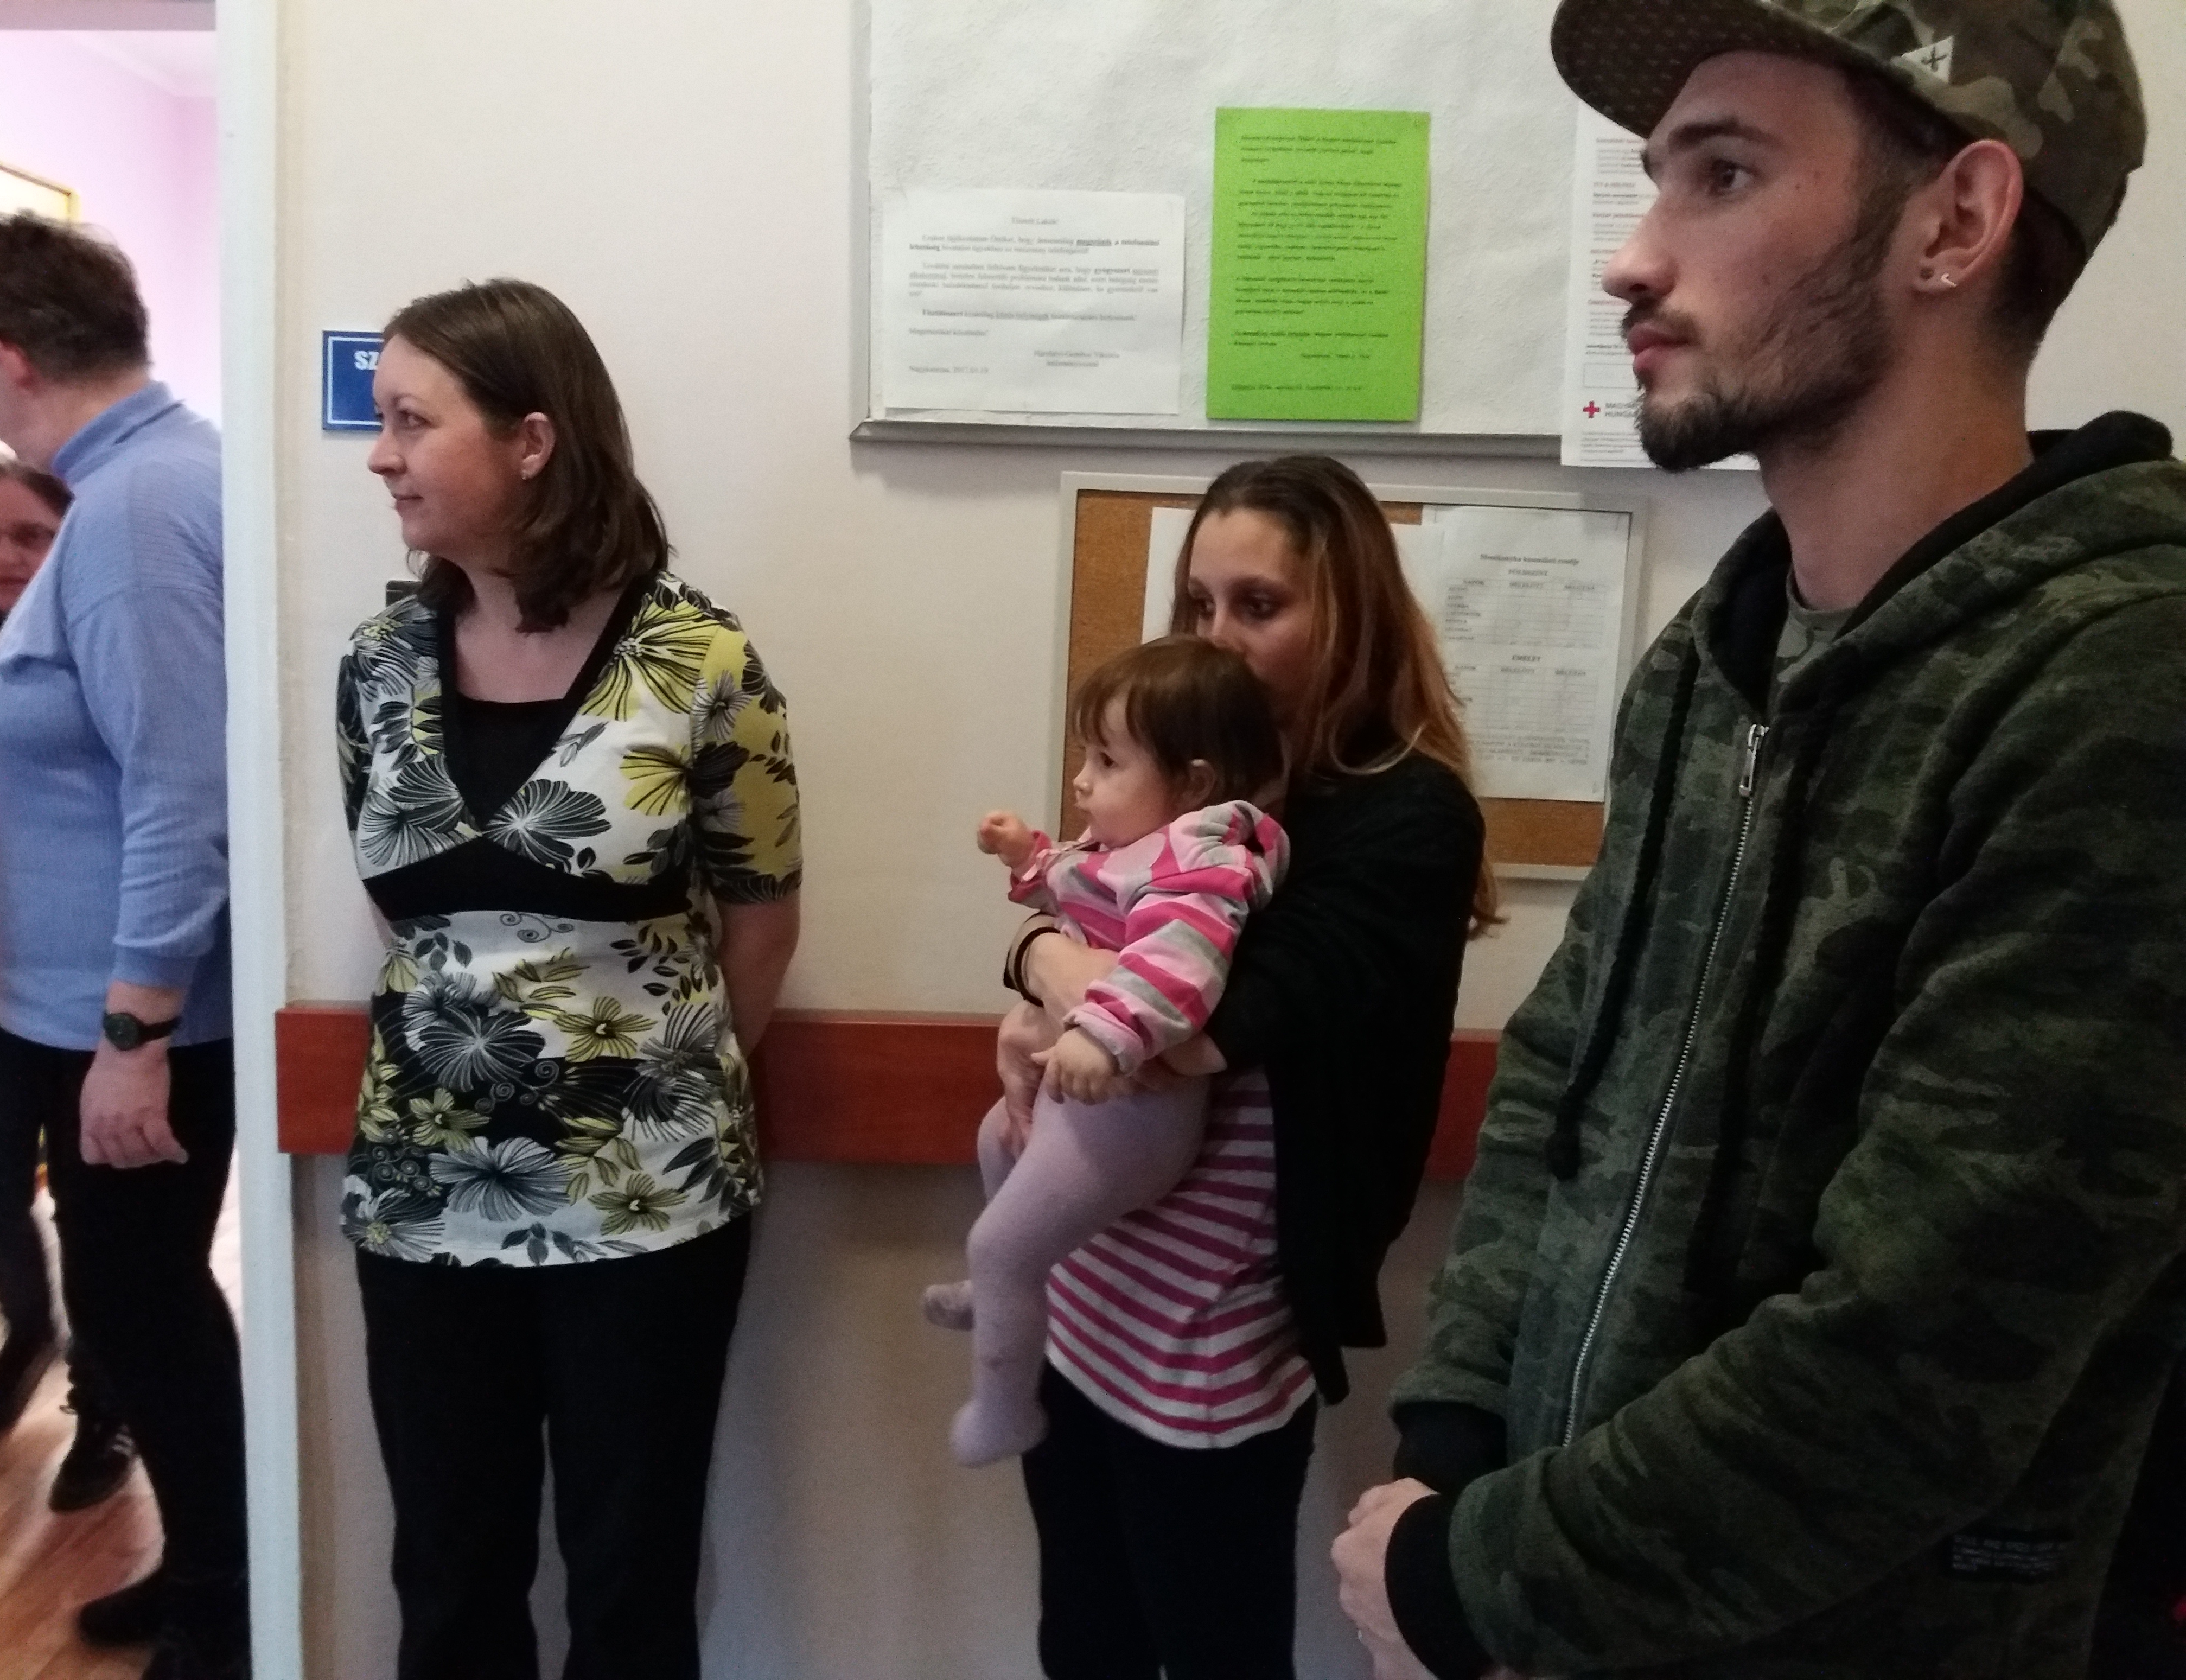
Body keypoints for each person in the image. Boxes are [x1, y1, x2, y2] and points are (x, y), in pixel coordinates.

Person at [1335, 4, 2186, 1677]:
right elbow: (1564, 1075)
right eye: (1656, 178)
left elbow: (1925, 1353)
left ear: (1956, 220)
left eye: (1720, 176)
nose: (1632, 259)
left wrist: (1477, 1576)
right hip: (1579, 1608)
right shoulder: (1719, 656)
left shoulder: (2117, 688)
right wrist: (1457, 1439)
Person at [339, 277, 801, 1680]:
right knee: (449, 1579)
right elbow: (405, 910)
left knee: (630, 1581)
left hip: (648, 1201)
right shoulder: (379, 665)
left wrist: (656, 1081)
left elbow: (764, 919)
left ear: (532, 439)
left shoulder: (700, 663)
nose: (381, 456)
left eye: (412, 421)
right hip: (421, 1194)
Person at [1003, 455, 1493, 1679]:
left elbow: (1181, 1034)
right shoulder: (1191, 786)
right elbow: (1085, 915)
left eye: (1258, 606)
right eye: (1199, 603)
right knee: (1085, 1640)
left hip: (1212, 1333)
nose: (1216, 637)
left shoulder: (1401, 817)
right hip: (1093, 1290)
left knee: (1214, 1648)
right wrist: (1044, 947)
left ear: (1351, 617)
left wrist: (1041, 959)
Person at [0, 213, 242, 1679]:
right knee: (142, 1308)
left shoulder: (130, 514)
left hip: (135, 1025)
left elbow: (182, 789)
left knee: (146, 1314)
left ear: (7, 353)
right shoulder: (153, 479)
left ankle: (226, 1609)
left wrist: (134, 1033)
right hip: (98, 1013)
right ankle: (207, 1574)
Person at [925, 635, 1289, 1467]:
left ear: (1193, 784)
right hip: (1085, 1099)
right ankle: (999, 1290)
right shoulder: (1135, 849)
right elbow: (1073, 883)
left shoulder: (1202, 864)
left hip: (1136, 1116)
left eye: (1108, 761)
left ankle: (1004, 1412)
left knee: (1000, 1244)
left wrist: (1101, 1034)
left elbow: (1178, 965)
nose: (1083, 781)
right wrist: (1026, 857)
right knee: (995, 1140)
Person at [0, 455, 139, 1511]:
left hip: (81, 986)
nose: (5, 556)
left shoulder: (96, 641)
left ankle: (104, 1404)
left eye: (29, 534)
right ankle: (28, 1322)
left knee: (97, 1220)